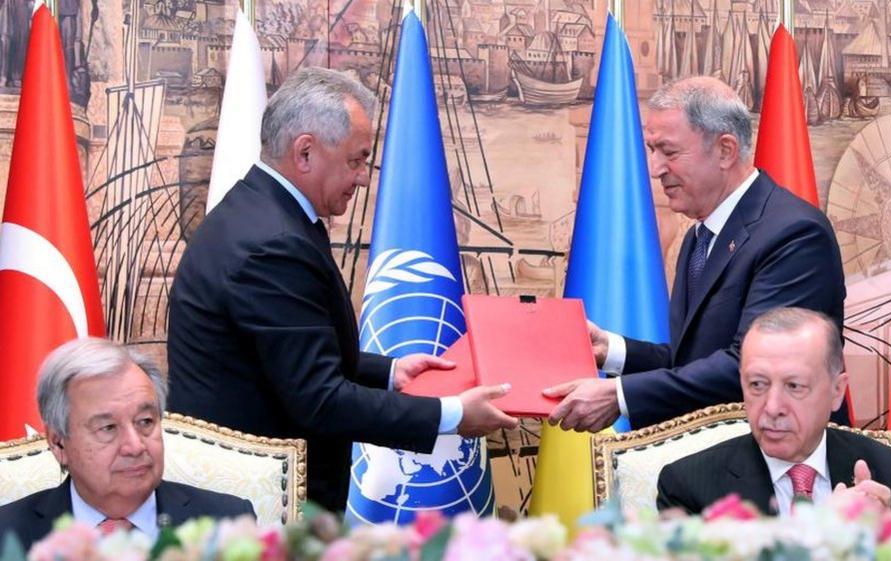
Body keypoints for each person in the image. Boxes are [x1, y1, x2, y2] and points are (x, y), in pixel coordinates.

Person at [167, 67, 518, 512]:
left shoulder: (258, 215)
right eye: (356, 160)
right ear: (306, 152)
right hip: (260, 513)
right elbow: (319, 399)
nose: (364, 178)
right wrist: (453, 415)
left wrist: (391, 372)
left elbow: (290, 351)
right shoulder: (273, 245)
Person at [545, 76, 848, 432]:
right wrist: (610, 350)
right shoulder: (699, 237)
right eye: (651, 150)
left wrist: (620, 395)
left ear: (725, 150)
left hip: (781, 470)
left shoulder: (794, 234)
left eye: (669, 152)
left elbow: (755, 367)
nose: (655, 168)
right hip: (714, 466)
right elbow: (690, 360)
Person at [656, 307, 891, 515]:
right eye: (757, 385)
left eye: (794, 386)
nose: (772, 408)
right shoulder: (689, 486)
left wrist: (886, 543)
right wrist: (822, 536)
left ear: (837, 391)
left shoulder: (889, 472)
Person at [0, 338, 254, 548]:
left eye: (145, 422)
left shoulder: (227, 523)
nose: (135, 446)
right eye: (108, 428)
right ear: (58, 444)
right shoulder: (7, 533)